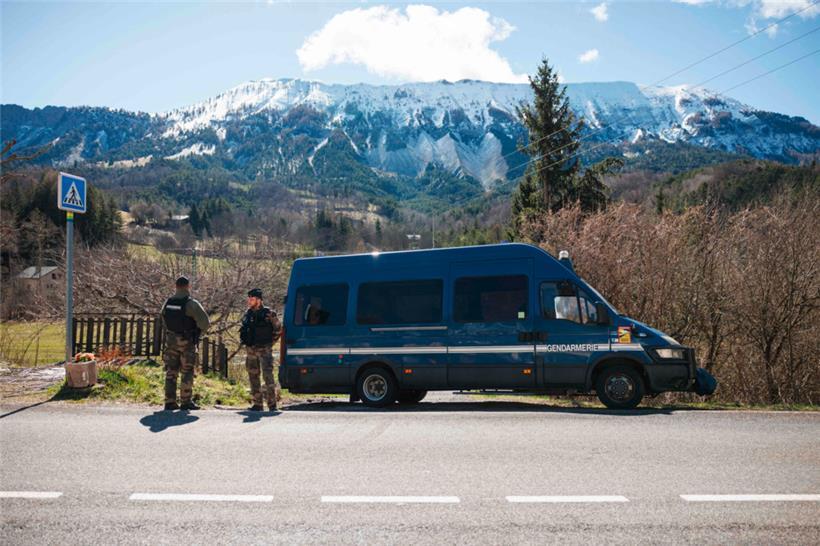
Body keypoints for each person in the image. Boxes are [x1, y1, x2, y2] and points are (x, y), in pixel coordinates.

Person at [160, 276, 210, 411]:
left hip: (171, 341)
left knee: (171, 371)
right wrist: (197, 334)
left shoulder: (168, 302)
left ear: (175, 286)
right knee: (187, 371)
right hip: (187, 341)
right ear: (188, 286)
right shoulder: (191, 304)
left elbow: (163, 317)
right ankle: (186, 401)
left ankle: (169, 401)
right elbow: (205, 323)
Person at [239, 288, 282, 411]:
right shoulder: (248, 314)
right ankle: (257, 404)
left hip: (265, 350)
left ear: (259, 300)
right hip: (251, 350)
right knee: (253, 376)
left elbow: (278, 330)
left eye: (252, 299)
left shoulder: (269, 314)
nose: (249, 301)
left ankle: (272, 404)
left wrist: (269, 344)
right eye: (249, 299)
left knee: (268, 377)